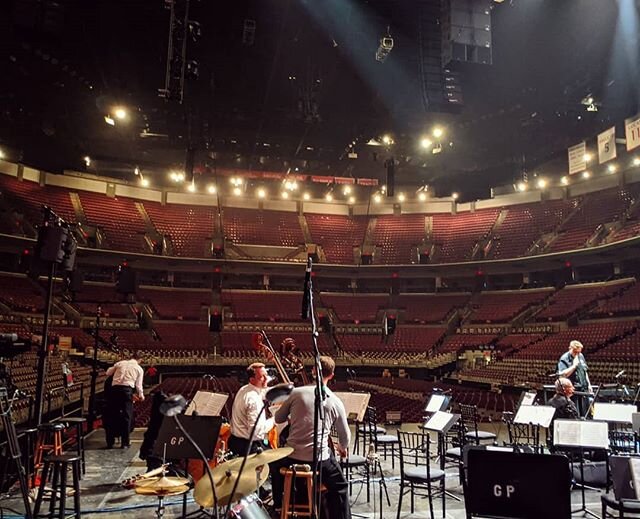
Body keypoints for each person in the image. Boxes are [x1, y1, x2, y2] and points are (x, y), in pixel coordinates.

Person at [271, 356, 351, 519]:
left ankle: (279, 506)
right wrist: (342, 449)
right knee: (341, 486)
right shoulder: (335, 401)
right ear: (331, 375)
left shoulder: (296, 393)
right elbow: (345, 438)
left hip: (292, 457)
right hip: (319, 461)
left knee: (274, 464)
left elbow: (278, 418)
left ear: (313, 371)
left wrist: (293, 417)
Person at [228, 362, 274, 456]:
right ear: (252, 379)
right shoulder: (253, 399)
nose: (266, 379)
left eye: (266, 375)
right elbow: (256, 433)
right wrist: (274, 419)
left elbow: (264, 391)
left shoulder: (244, 389)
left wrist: (283, 390)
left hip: (235, 441)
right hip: (249, 447)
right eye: (261, 377)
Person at [105, 352, 144, 448]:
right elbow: (139, 385)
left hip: (114, 391)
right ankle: (125, 443)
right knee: (127, 416)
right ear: (140, 360)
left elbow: (108, 372)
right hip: (126, 391)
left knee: (112, 415)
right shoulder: (139, 369)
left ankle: (110, 442)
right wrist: (141, 395)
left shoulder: (120, 363)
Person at [557, 340, 592, 417]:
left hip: (583, 389)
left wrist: (589, 384)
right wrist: (574, 366)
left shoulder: (581, 356)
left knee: (585, 413)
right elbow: (563, 375)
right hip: (573, 390)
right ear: (570, 348)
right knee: (576, 413)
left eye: (579, 352)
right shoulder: (564, 358)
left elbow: (584, 371)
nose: (577, 354)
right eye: (575, 352)